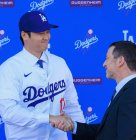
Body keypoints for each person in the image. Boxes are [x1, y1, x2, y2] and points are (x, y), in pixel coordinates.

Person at [0, 10, 85, 140]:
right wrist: (47, 118)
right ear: (24, 35)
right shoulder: (9, 68)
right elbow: (9, 112)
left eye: (47, 32)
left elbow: (71, 104)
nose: (46, 37)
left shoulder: (59, 63)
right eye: (40, 33)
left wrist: (82, 134)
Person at [53, 41, 136, 140]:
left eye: (107, 58)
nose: (104, 64)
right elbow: (107, 131)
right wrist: (74, 126)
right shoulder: (127, 91)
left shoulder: (134, 94)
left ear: (120, 61)